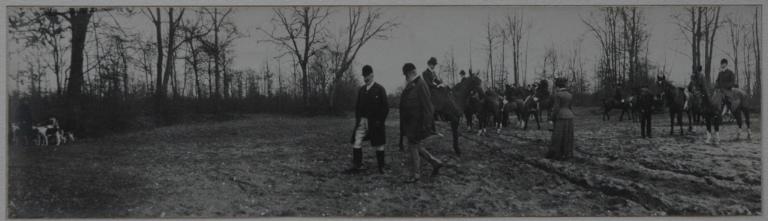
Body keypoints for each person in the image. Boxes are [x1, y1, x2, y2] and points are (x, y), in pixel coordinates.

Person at [400, 62, 445, 183]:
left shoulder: (421, 84)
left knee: (413, 146)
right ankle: (435, 162)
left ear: (411, 73)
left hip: (418, 124)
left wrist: (426, 125)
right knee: (415, 146)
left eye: (406, 75)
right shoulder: (413, 85)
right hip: (412, 124)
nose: (405, 78)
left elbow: (428, 108)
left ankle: (416, 175)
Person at [345, 65, 389, 174]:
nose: (365, 78)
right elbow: (358, 107)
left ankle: (381, 167)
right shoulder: (362, 90)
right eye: (364, 76)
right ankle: (357, 165)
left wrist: (380, 121)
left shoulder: (380, 89)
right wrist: (358, 120)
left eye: (367, 76)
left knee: (379, 144)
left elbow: (385, 108)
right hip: (362, 121)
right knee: (357, 141)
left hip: (376, 122)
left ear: (372, 75)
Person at [547, 77, 575, 160]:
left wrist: (551, 118)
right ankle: (567, 153)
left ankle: (556, 154)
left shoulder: (558, 95)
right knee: (568, 136)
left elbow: (556, 108)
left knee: (557, 136)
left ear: (558, 86)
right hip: (570, 116)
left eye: (556, 87)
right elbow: (570, 107)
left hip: (561, 116)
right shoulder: (570, 95)